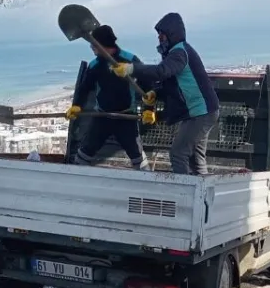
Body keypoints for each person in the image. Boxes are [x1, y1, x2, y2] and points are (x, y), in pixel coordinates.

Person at [112, 12, 219, 175]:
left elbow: (161, 71)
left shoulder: (179, 52)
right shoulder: (177, 53)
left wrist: (132, 68)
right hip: (202, 112)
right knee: (196, 160)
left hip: (201, 112)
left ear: (171, 34)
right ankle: (201, 194)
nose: (159, 39)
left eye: (161, 35)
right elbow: (172, 83)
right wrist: (156, 93)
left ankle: (184, 194)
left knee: (178, 154)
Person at [66, 24, 149, 171]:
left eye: (93, 45)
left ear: (102, 45)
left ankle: (151, 182)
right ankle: (75, 178)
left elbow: (147, 84)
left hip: (126, 116)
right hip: (102, 116)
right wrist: (77, 105)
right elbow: (84, 89)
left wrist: (149, 109)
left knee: (137, 156)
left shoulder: (129, 60)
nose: (92, 48)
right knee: (85, 152)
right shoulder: (95, 65)